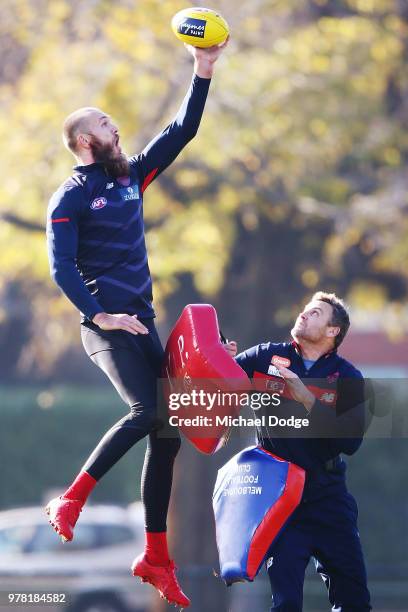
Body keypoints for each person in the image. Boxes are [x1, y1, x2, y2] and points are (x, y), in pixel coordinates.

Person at [45, 40, 227, 608]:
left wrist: (202, 70)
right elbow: (60, 265)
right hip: (105, 327)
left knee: (167, 433)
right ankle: (71, 499)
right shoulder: (72, 194)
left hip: (142, 323)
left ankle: (155, 557)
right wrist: (99, 313)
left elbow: (182, 130)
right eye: (104, 122)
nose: (114, 125)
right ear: (83, 141)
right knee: (149, 411)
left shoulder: (131, 179)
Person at [226, 291, 371, 612]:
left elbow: (351, 442)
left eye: (316, 313)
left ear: (333, 331)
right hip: (280, 499)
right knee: (286, 603)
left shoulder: (348, 376)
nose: (304, 315)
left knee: (355, 602)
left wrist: (307, 398)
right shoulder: (265, 356)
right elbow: (218, 384)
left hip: (328, 498)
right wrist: (219, 359)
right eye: (305, 310)